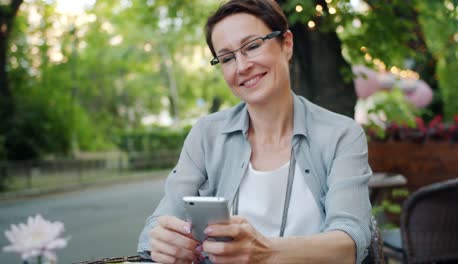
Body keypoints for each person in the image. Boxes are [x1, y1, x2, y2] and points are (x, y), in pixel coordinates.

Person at [137, 0, 372, 263]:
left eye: (252, 46)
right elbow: (158, 224)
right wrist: (163, 239)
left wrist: (266, 252)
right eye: (227, 58)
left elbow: (350, 243)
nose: (241, 66)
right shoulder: (206, 134)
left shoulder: (341, 134)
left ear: (287, 44)